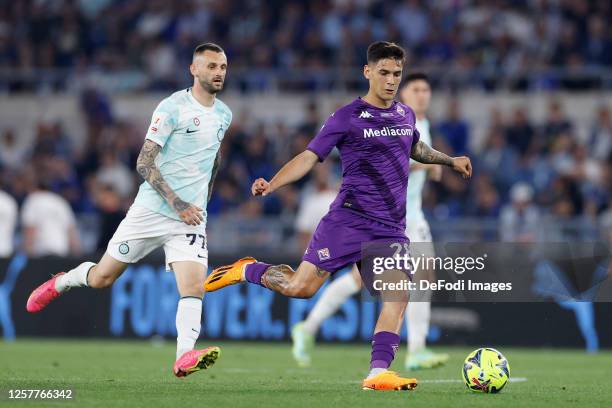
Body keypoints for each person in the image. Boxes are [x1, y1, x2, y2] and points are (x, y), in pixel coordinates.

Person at [204, 42, 472, 391]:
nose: (391, 81)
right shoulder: (347, 117)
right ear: (368, 72)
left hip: (389, 228)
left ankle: (378, 373)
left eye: (396, 74)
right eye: (384, 73)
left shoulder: (404, 115)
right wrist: (272, 184)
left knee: (399, 294)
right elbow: (309, 156)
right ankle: (246, 269)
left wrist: (449, 160)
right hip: (347, 221)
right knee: (301, 288)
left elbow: (416, 147)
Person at [25, 43, 231, 378]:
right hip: (151, 210)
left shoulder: (224, 114)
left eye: (222, 66)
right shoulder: (172, 107)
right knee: (103, 277)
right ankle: (62, 282)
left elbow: (214, 159)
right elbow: (144, 161)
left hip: (190, 219)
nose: (218, 72)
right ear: (194, 70)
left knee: (194, 287)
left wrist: (201, 202)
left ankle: (183, 357)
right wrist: (177, 203)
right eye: (211, 66)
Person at [290, 72, 449, 370]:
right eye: (416, 89)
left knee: (422, 277)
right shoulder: (391, 120)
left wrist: (435, 165)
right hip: (378, 218)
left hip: (409, 217)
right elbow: (396, 162)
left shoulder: (419, 123)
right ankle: (309, 327)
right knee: (360, 280)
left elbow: (419, 161)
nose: (422, 94)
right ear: (405, 93)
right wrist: (425, 167)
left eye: (426, 89)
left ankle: (416, 349)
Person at [21, 181, 81, 257]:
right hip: (61, 251)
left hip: (41, 252)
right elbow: (71, 230)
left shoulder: (33, 199)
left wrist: (28, 253)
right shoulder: (60, 201)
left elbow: (31, 229)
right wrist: (77, 254)